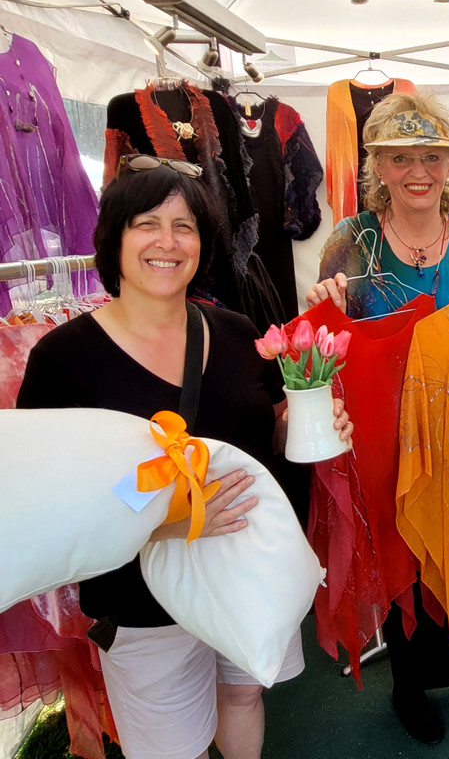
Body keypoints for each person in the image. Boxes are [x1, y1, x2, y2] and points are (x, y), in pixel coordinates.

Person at [17, 156, 353, 759]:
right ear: (113, 238)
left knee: (243, 696)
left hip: (244, 563)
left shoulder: (235, 332)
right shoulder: (63, 359)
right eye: (147, 224)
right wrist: (170, 523)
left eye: (184, 227)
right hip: (140, 596)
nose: (167, 242)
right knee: (174, 745)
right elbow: (48, 509)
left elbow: (266, 436)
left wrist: (309, 426)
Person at [305, 91, 449, 745]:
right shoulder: (349, 242)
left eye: (431, 156)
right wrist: (321, 306)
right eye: (400, 158)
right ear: (378, 165)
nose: (418, 170)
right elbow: (324, 348)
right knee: (400, 558)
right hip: (386, 437)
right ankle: (409, 684)